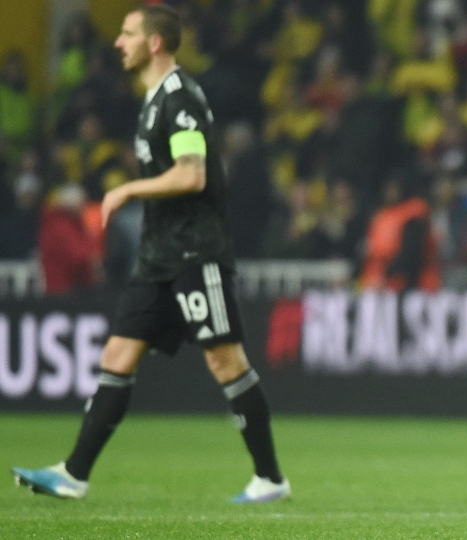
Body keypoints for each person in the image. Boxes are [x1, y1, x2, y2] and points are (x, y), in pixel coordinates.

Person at [12, 5, 290, 503]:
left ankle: (270, 478)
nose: (118, 42)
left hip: (194, 252)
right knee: (117, 354)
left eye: (127, 33)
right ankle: (74, 473)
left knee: (226, 363)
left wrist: (126, 192)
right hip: (157, 256)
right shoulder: (153, 101)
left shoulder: (180, 99)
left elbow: (192, 174)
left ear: (155, 43)